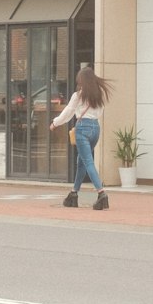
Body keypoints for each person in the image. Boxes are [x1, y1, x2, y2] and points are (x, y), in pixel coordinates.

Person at [51, 66, 112, 210]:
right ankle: (73, 194)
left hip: (82, 129)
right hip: (95, 128)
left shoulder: (78, 95)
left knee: (88, 162)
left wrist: (55, 123)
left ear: (82, 81)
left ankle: (101, 193)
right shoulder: (99, 95)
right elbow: (100, 112)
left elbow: (68, 112)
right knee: (82, 162)